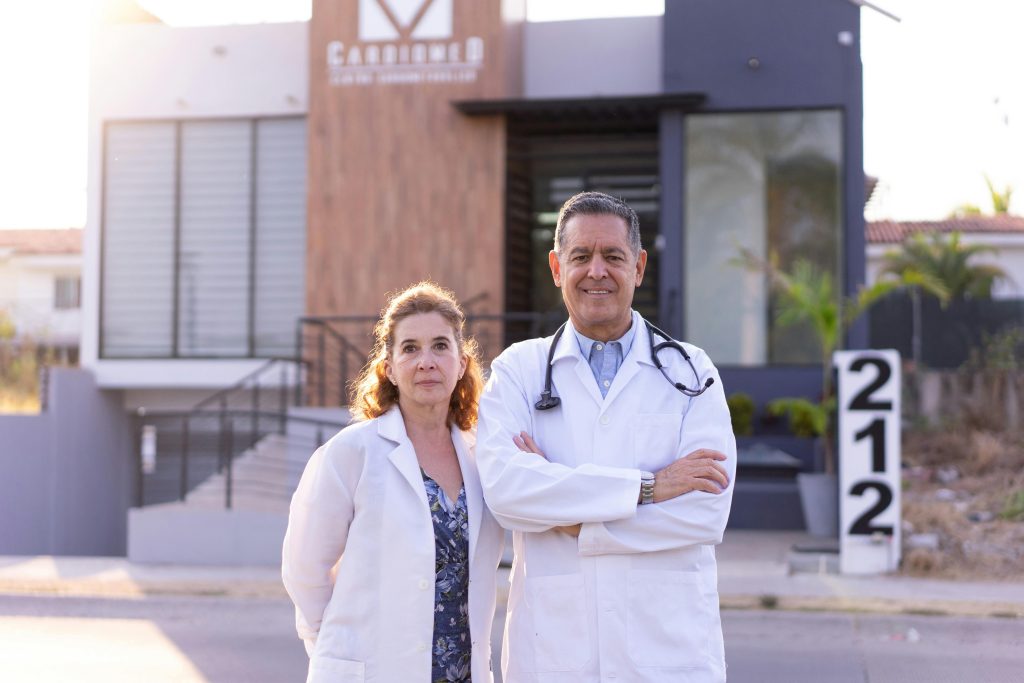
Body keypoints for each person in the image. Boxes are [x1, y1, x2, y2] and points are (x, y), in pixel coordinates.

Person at [476, 192, 736, 682]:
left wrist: (571, 518)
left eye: (613, 257)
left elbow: (706, 513)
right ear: (556, 267)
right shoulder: (519, 370)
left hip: (667, 652)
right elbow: (507, 495)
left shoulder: (690, 370)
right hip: (553, 655)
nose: (597, 271)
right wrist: (650, 488)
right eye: (580, 257)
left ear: (638, 267)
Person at [282, 282, 505, 683]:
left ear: (460, 362)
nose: (426, 361)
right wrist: (338, 652)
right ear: (388, 366)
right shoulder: (352, 452)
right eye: (410, 348)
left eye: (440, 346)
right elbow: (304, 568)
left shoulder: (481, 456)